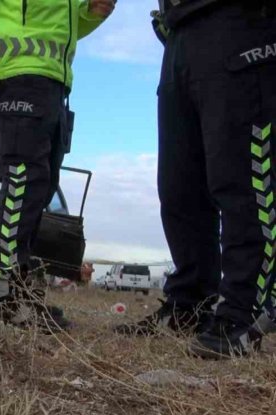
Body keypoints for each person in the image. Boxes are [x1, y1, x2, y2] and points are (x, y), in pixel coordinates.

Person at [115, 0, 275, 359]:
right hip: (179, 33)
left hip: (241, 22)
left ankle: (246, 308)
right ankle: (190, 302)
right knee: (179, 189)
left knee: (243, 181)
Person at [0, 0, 115, 330]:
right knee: (23, 183)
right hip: (17, 78)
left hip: (53, 85)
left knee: (41, 188)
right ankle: (4, 296)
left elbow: (60, 28)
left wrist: (90, 14)